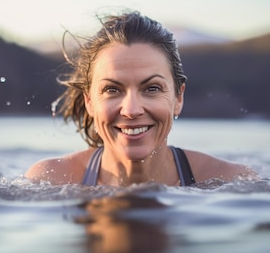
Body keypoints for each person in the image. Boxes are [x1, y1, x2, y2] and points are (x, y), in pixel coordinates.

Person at [25, 11, 256, 186]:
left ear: (178, 98)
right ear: (89, 102)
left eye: (152, 88)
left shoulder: (230, 181)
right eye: (112, 90)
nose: (132, 110)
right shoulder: (52, 180)